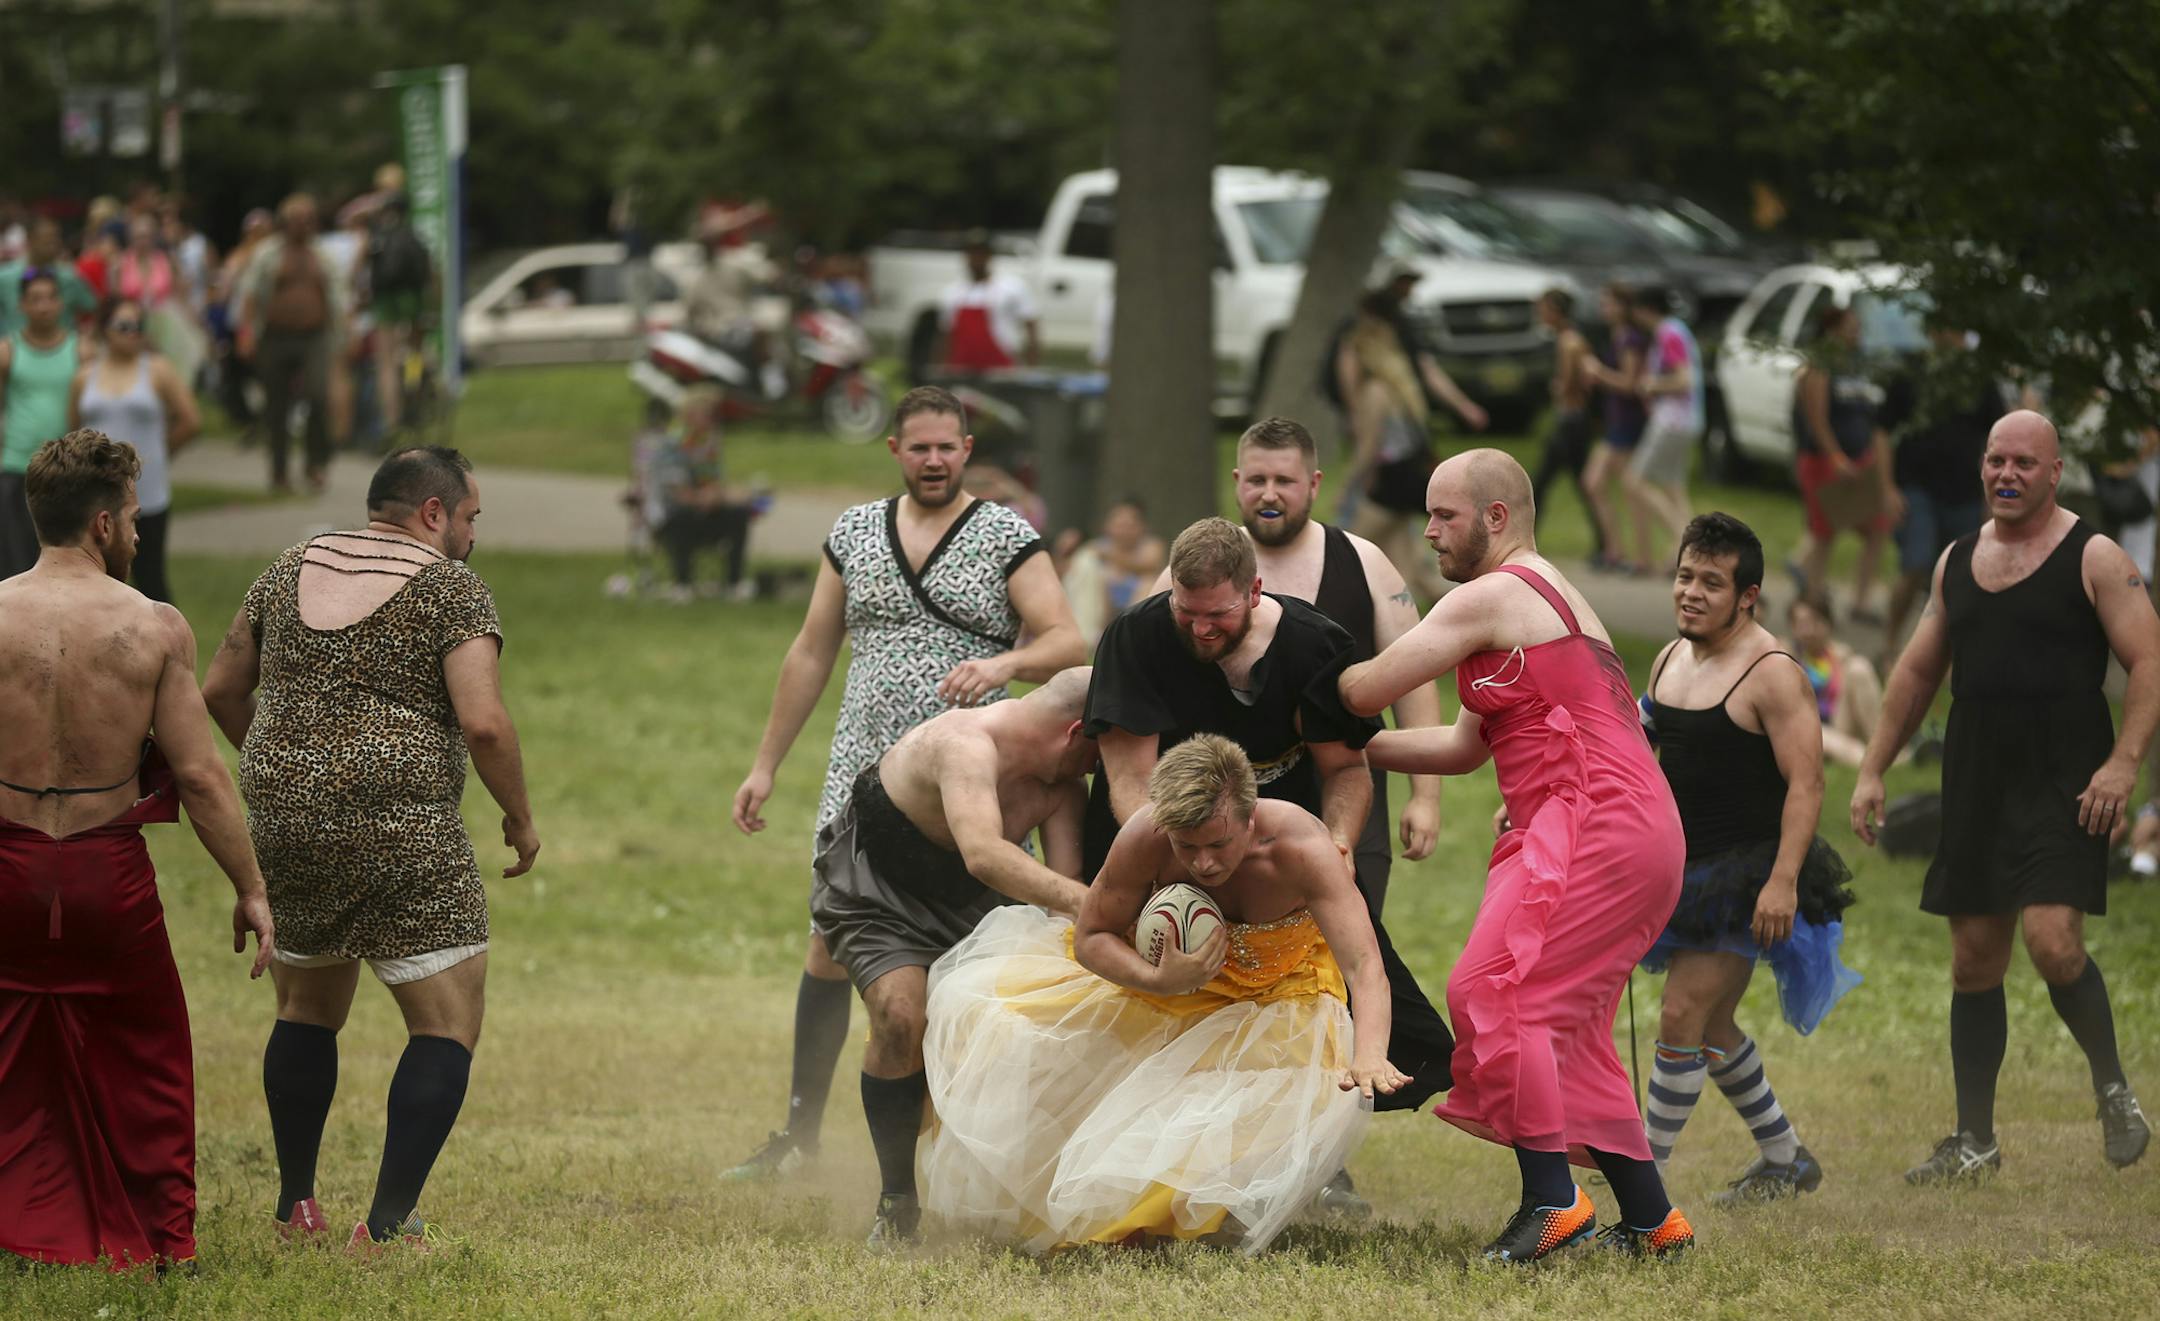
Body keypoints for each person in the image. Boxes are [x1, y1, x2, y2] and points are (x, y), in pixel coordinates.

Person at [1341, 448, 1694, 1262]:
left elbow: (1362, 690)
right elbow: (1467, 747)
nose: (1428, 530)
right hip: (1615, 824)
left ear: (1496, 518)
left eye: (1445, 515)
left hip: (1597, 821)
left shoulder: (1494, 593)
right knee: (1568, 1027)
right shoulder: (1537, 594)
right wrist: (1360, 756)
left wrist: (1298, 669)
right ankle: (1652, 1220)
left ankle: (1551, 1200)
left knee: (1497, 992)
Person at [726, 386, 1084, 1181]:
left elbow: (1066, 637)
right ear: (894, 449)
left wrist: (1004, 663)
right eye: (918, 447)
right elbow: (812, 651)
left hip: (972, 779)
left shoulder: (1003, 533)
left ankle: (959, 1144)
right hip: (863, 766)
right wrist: (765, 764)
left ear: (967, 448)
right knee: (828, 943)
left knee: (975, 946)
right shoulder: (853, 531)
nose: (933, 460)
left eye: (947, 447)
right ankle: (798, 1136)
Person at [201, 446, 540, 1248]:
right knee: (447, 1022)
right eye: (469, 518)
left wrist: (290, 771)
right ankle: (388, 1225)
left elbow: (218, 687)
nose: (470, 535)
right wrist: (519, 816)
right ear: (432, 513)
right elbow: (485, 721)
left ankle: (296, 1207)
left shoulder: (287, 567)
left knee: (306, 1004)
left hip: (285, 822)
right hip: (404, 825)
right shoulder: (451, 588)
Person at [1087, 515, 1456, 1219]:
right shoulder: (1136, 637)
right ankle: (1149, 1170)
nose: (1199, 629)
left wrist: (1338, 844)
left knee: (1385, 1028)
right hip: (1162, 839)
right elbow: (1131, 783)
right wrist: (1178, 864)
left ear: (1255, 591)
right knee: (1147, 1018)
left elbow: (1346, 769)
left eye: (1216, 614)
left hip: (1279, 841)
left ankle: (1302, 1165)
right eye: (1185, 612)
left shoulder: (1314, 643)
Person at [924, 735, 1407, 1254]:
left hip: (1283, 986)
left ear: (1250, 819)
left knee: (1264, 1103)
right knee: (1005, 1024)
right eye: (1187, 846)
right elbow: (1091, 936)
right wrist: (1156, 979)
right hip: (1171, 981)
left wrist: (1371, 1054)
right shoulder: (1146, 835)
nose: (1202, 864)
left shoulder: (1302, 850)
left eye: (1218, 844)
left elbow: (1364, 965)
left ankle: (1183, 1214)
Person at [1852, 410, 2155, 1182]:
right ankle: (1975, 1141)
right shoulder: (1957, 559)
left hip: (2067, 778)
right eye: (1996, 461)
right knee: (1973, 961)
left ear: (2055, 473)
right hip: (1978, 775)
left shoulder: (2096, 556)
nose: (2007, 474)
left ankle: (2113, 1087)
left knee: (2054, 943)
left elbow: (2150, 659)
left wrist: (2124, 762)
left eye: (2024, 462)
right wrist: (1874, 766)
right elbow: (1918, 672)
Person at [0, 429, 274, 1269]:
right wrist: (252, 885)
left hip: (7, 865)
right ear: (104, 525)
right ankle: (161, 1236)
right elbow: (200, 775)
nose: (139, 533)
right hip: (103, 871)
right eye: (133, 519)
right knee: (145, 1048)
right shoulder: (152, 626)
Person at [810, 671, 1099, 1245]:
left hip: (967, 904)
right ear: (1076, 734)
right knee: (899, 1015)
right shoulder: (964, 744)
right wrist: (1090, 905)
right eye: (1105, 749)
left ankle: (1006, 1183)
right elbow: (986, 855)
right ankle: (896, 1202)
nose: (1106, 765)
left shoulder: (1062, 787)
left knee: (989, 1027)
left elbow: (1065, 887)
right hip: (875, 889)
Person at [1639, 513, 1860, 1202]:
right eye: (1684, 576)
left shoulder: (1773, 673)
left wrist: (1784, 881)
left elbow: (1809, 782)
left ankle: (1641, 1184)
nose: (1692, 592)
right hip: (1682, 869)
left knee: (1681, 1015)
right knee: (1711, 1026)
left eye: (1712, 581)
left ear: (1748, 596)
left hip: (1748, 875)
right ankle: (1786, 1156)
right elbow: (1641, 753)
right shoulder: (1669, 659)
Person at [1879, 324, 2006, 646]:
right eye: (1946, 329)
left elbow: (1997, 437)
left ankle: (1944, 654)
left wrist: (1991, 497)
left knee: (1957, 577)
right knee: (1917, 564)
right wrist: (1887, 488)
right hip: (1916, 488)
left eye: (1958, 331)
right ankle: (1890, 641)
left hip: (1963, 494)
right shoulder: (1911, 372)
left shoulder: (1978, 379)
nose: (1952, 337)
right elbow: (1881, 430)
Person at [68, 297, 200, 603]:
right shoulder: (85, 376)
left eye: (139, 326)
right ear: (104, 329)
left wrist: (157, 455)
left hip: (147, 493)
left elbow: (190, 420)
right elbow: (74, 430)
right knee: (97, 580)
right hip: (96, 495)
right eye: (124, 326)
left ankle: (167, 644)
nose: (133, 333)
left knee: (151, 577)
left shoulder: (157, 369)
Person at [1790, 303, 1899, 621]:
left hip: (1859, 459)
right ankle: (1810, 603)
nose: (1857, 333)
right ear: (1832, 331)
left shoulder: (1853, 365)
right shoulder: (1820, 367)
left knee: (1878, 527)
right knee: (1825, 535)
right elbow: (1816, 418)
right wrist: (1835, 455)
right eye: (1850, 328)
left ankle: (1860, 600)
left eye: (1857, 328)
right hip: (1826, 461)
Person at [237, 193, 346, 493]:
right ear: (285, 223)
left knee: (318, 397)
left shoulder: (322, 256)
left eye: (309, 219)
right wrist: (246, 333)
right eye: (297, 219)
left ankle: (315, 463)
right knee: (276, 406)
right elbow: (250, 294)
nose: (303, 225)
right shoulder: (268, 255)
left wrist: (346, 334)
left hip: (315, 336)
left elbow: (338, 297)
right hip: (275, 336)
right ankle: (279, 470)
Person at [0, 269, 84, 577]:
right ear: (22, 305)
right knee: (14, 565)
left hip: (64, 471)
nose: (44, 306)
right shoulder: (8, 352)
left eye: (50, 298)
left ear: (61, 303)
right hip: (16, 467)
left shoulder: (80, 349)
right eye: (35, 299)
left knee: (62, 565)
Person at [637, 389, 755, 601]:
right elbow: (678, 493)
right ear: (689, 415)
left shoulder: (708, 446)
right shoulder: (672, 445)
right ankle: (682, 584)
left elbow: (716, 484)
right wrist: (707, 498)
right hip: (672, 519)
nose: (713, 419)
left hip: (704, 512)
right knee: (682, 515)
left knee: (738, 514)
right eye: (707, 414)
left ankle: (734, 583)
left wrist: (723, 496)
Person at [1619, 287, 1703, 575]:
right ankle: (1691, 553)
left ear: (1645, 309)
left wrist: (1652, 384)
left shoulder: (1668, 333)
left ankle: (1685, 540)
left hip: (1672, 420)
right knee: (1673, 488)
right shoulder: (1675, 331)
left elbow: (1684, 379)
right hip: (1686, 419)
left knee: (1634, 480)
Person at [1578, 283, 1649, 574]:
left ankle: (1639, 557)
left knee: (1628, 488)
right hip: (1615, 421)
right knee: (1595, 483)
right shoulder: (1617, 336)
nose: (1605, 309)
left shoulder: (1630, 338)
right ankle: (1615, 550)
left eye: (1611, 303)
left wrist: (1598, 372)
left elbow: (1630, 384)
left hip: (1628, 422)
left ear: (1624, 306)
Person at [1528, 288, 1603, 563]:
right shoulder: (1571, 339)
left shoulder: (1569, 342)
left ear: (1556, 311)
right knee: (1577, 484)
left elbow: (1570, 383)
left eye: (1544, 308)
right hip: (1574, 422)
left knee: (1543, 483)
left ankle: (1605, 544)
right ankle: (1604, 542)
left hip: (1571, 422)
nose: (1541, 314)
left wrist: (1559, 387)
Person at [1786, 596, 1886, 767]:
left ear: (1828, 624)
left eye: (1814, 622)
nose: (1808, 630)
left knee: (1859, 667)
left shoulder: (1841, 656)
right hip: (1808, 727)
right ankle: (1870, 759)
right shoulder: (1787, 656)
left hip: (1838, 720)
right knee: (1821, 734)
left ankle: (1882, 745)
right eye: (1801, 623)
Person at [1056, 495, 1164, 647]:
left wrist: (1110, 556)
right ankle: (1087, 637)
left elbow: (1150, 565)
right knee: (1086, 565)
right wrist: (1063, 552)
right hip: (1101, 611)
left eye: (1130, 525)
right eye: (1119, 524)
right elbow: (1066, 574)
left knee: (1149, 582)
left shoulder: (1150, 546)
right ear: (1108, 525)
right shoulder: (1095, 548)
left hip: (1134, 607)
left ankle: (1130, 638)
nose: (1124, 530)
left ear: (1142, 527)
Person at [366, 194, 432, 437]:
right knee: (414, 354)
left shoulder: (379, 237)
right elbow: (429, 275)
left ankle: (391, 418)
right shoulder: (416, 238)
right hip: (412, 303)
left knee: (386, 364)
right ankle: (413, 394)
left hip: (385, 304)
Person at [937, 231, 1038, 373]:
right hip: (961, 370)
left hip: (1001, 370)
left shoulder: (1012, 287)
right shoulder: (953, 292)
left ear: (990, 256)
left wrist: (1031, 366)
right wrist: (941, 367)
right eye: (972, 253)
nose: (977, 258)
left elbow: (1031, 326)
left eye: (981, 253)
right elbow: (945, 335)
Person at [0, 218, 100, 336]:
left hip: (62, 351)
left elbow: (96, 309)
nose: (52, 243)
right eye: (45, 238)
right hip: (13, 351)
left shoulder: (70, 277)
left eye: (55, 237)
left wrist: (88, 337)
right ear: (29, 240)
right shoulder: (4, 277)